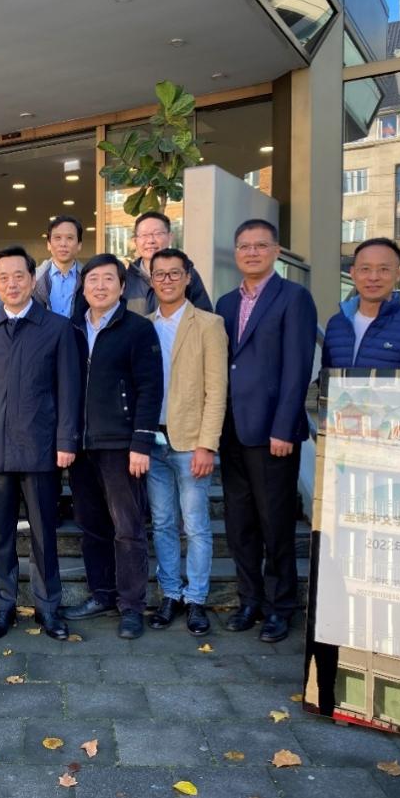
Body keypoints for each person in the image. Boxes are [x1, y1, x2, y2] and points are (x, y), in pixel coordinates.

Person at [0, 246, 82, 641]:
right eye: (3, 277)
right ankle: (3, 606)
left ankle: (48, 608)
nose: (11, 283)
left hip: (42, 448)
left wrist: (66, 440)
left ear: (33, 280)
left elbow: (69, 390)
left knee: (43, 533)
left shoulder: (57, 328)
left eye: (19, 276)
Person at [215, 219, 316, 644]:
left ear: (276, 251)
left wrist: (284, 427)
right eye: (244, 246)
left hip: (274, 434)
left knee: (275, 525)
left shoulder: (294, 298)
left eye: (260, 245)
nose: (252, 252)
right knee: (240, 525)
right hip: (232, 430)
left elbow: (298, 368)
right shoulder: (224, 303)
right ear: (235, 253)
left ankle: (281, 607)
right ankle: (250, 601)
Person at [61, 254, 163, 639]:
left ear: (122, 286)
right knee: (92, 526)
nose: (100, 286)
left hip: (122, 445)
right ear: (83, 287)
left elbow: (150, 388)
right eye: (93, 280)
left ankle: (131, 606)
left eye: (108, 279)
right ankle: (101, 594)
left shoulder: (137, 329)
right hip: (81, 446)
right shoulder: (71, 329)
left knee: (128, 528)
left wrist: (142, 441)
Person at [145, 249, 227, 636]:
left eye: (174, 273)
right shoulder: (144, 326)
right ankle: (170, 594)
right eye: (160, 274)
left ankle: (196, 599)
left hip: (191, 441)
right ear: (151, 281)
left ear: (188, 277)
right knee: (162, 523)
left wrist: (207, 444)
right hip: (153, 441)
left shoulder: (209, 324)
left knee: (195, 526)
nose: (167, 280)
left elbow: (217, 390)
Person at [322, 238, 400, 369]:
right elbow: (327, 377)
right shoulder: (336, 324)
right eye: (365, 269)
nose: (373, 277)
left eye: (384, 269)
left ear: (398, 274)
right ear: (353, 273)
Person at [127, 212, 212, 315]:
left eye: (157, 234)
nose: (150, 240)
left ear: (170, 237)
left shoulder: (187, 273)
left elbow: (204, 315)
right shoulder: (125, 278)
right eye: (144, 235)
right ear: (135, 241)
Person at [33, 215, 84, 318]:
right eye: (57, 238)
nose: (63, 244)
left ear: (79, 245)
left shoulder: (89, 279)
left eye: (70, 238)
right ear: (48, 244)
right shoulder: (33, 278)